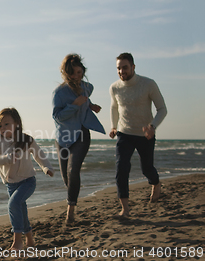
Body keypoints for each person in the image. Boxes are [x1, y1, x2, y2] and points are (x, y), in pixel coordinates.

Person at [0, 107, 54, 251]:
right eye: (0, 125)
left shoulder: (26, 140)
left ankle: (17, 242)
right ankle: (29, 238)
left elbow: (38, 155)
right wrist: (6, 158)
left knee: (13, 204)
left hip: (28, 181)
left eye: (6, 124)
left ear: (16, 123)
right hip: (11, 184)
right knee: (20, 210)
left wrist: (46, 168)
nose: (3, 128)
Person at [109, 52, 167, 217]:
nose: (121, 72)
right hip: (124, 133)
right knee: (121, 168)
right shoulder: (114, 87)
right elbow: (114, 107)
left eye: (125, 68)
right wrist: (113, 126)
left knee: (147, 169)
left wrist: (152, 126)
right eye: (118, 68)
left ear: (133, 67)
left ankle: (155, 183)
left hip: (145, 134)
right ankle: (125, 209)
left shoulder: (148, 84)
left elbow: (162, 109)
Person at [52, 54, 105, 224]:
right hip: (64, 136)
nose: (77, 76)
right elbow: (57, 116)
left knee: (73, 170)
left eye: (80, 72)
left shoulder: (87, 87)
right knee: (66, 177)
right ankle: (73, 196)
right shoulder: (59, 93)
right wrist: (74, 105)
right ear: (66, 74)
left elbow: (85, 99)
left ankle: (70, 212)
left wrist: (91, 105)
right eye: (73, 73)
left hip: (81, 133)